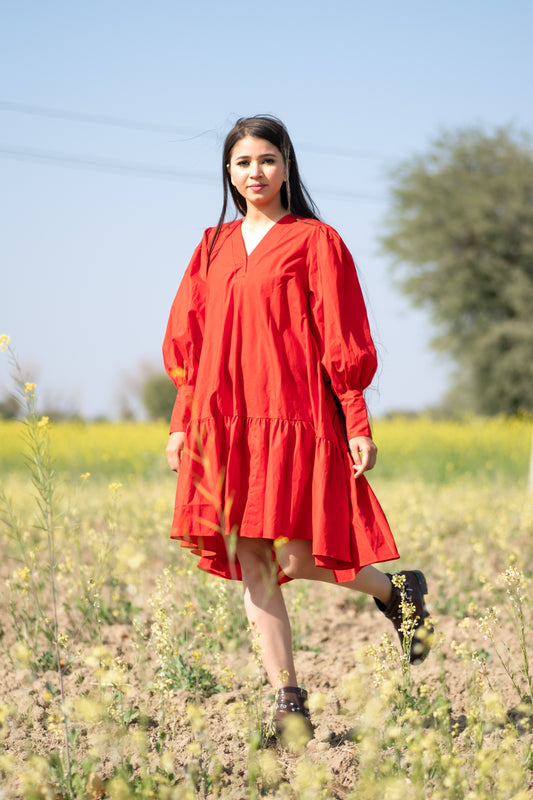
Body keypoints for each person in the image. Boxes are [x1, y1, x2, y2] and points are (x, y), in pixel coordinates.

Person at [163, 115, 432, 742]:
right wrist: (182, 424)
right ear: (228, 174)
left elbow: (341, 336)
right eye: (241, 163)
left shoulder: (316, 240)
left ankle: (396, 590)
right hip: (223, 418)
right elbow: (192, 343)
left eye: (266, 160)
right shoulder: (211, 246)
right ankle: (289, 704)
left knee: (293, 554)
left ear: (286, 165)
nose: (253, 173)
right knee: (251, 556)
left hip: (295, 414)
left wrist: (356, 419)